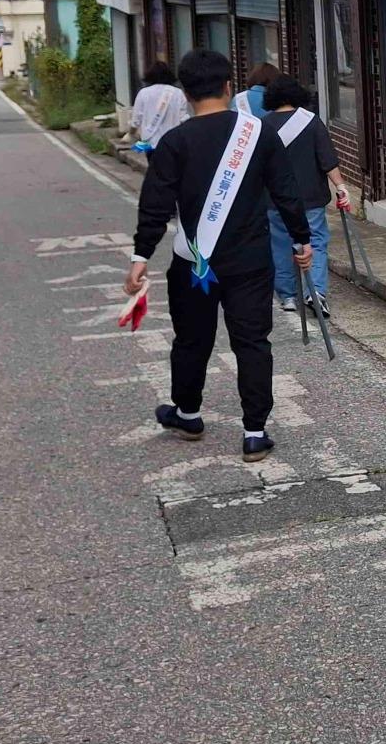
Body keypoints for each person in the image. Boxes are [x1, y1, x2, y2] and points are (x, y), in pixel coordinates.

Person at [125, 49, 311, 465]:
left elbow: (155, 205)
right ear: (229, 86)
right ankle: (255, 433)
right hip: (250, 261)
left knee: (192, 340)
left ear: (186, 94)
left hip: (195, 264)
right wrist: (302, 240)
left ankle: (188, 415)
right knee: (252, 342)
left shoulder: (175, 142)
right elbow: (286, 191)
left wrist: (140, 256)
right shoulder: (258, 134)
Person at [261, 75, 351, 317]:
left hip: (274, 200)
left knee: (280, 245)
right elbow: (327, 159)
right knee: (316, 241)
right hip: (310, 197)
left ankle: (288, 296)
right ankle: (316, 292)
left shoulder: (263, 126)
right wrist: (341, 186)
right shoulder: (311, 122)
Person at [129, 61, 189, 151]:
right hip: (173, 142)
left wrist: (130, 134)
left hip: (149, 143)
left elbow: (136, 120)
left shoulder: (143, 93)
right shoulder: (178, 93)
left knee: (151, 160)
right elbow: (183, 119)